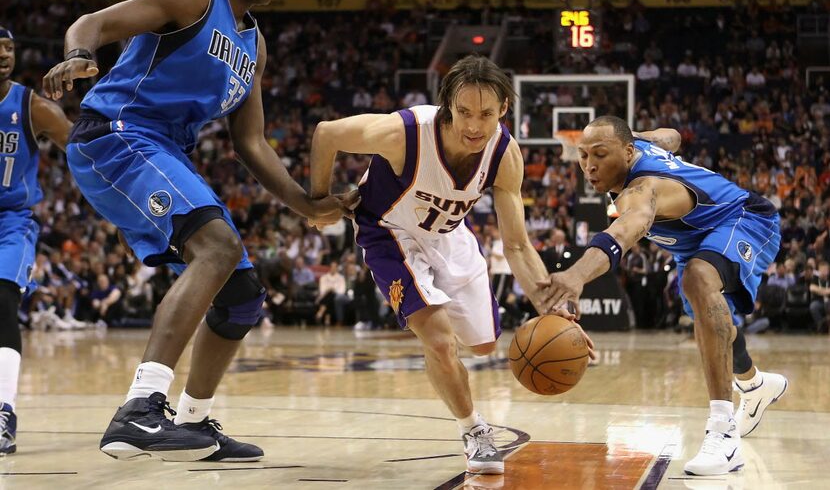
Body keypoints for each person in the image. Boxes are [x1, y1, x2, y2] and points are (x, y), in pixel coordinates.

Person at [41, 0, 351, 462]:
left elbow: (251, 143)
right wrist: (77, 54)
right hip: (117, 132)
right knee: (218, 248)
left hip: (163, 149)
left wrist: (305, 203)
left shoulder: (252, 43)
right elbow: (93, 22)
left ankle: (194, 424)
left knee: (242, 294)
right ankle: (139, 409)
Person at [308, 55, 594, 475]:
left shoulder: (504, 153)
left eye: (486, 114)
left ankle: (444, 351)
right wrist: (319, 201)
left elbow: (516, 246)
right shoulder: (405, 134)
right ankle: (474, 432)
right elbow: (327, 133)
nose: (474, 125)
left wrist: (554, 310)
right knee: (440, 340)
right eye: (463, 112)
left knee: (483, 346)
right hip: (389, 232)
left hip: (449, 236)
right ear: (447, 107)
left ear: (504, 110)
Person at [540, 116, 788, 477]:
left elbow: (627, 228)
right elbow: (672, 135)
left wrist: (576, 276)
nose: (590, 166)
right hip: (694, 242)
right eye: (583, 156)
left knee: (699, 281)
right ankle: (755, 384)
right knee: (715, 326)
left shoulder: (641, 189)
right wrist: (641, 137)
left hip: (744, 217)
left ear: (627, 153)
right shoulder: (640, 147)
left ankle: (723, 431)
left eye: (600, 154)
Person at [0, 26, 73, 454]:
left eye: (9, 47)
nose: (5, 55)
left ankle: (3, 409)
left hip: (10, 220)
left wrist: (122, 212)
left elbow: (81, 155)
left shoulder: (32, 107)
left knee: (3, 298)